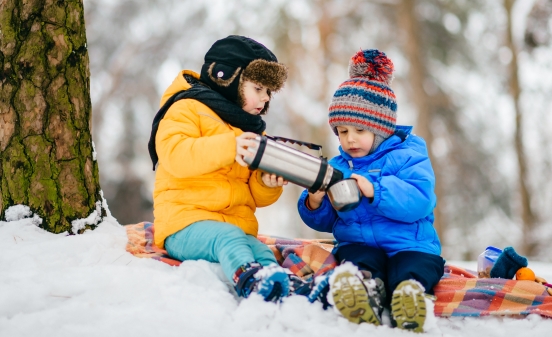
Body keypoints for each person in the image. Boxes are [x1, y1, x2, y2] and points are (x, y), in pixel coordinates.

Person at [297, 49, 444, 332]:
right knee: (358, 260)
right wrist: (315, 200)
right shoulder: (340, 166)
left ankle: (410, 298)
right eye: (342, 131)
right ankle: (363, 293)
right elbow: (328, 221)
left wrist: (375, 189)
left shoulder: (408, 153)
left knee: (412, 267)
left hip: (410, 244)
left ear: (381, 129)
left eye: (359, 131)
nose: (349, 139)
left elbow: (420, 200)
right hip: (360, 243)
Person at [148, 35, 292, 302]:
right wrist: (230, 146)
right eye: (258, 88)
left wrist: (266, 184)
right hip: (185, 224)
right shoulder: (187, 108)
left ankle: (285, 286)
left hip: (234, 226)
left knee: (260, 251)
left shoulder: (248, 129)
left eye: (269, 92)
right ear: (227, 77)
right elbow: (174, 155)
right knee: (229, 238)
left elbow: (253, 195)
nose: (264, 99)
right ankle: (251, 282)